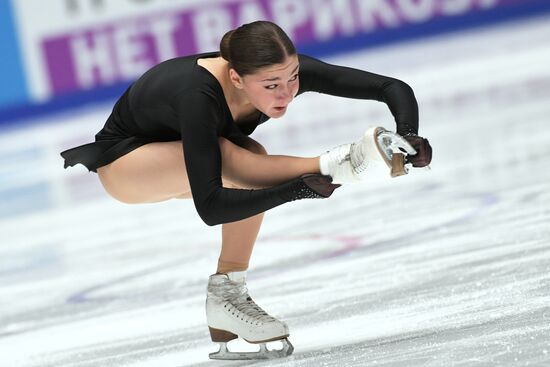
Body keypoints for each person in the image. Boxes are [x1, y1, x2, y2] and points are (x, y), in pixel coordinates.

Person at [61, 20, 432, 360]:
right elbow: (211, 207)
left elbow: (391, 87)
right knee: (234, 156)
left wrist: (408, 134)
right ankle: (341, 163)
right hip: (127, 167)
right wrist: (294, 190)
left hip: (185, 157)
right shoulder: (198, 95)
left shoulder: (277, 70)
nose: (286, 92)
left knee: (250, 155)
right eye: (271, 86)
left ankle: (228, 292)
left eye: (294, 77)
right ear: (236, 79)